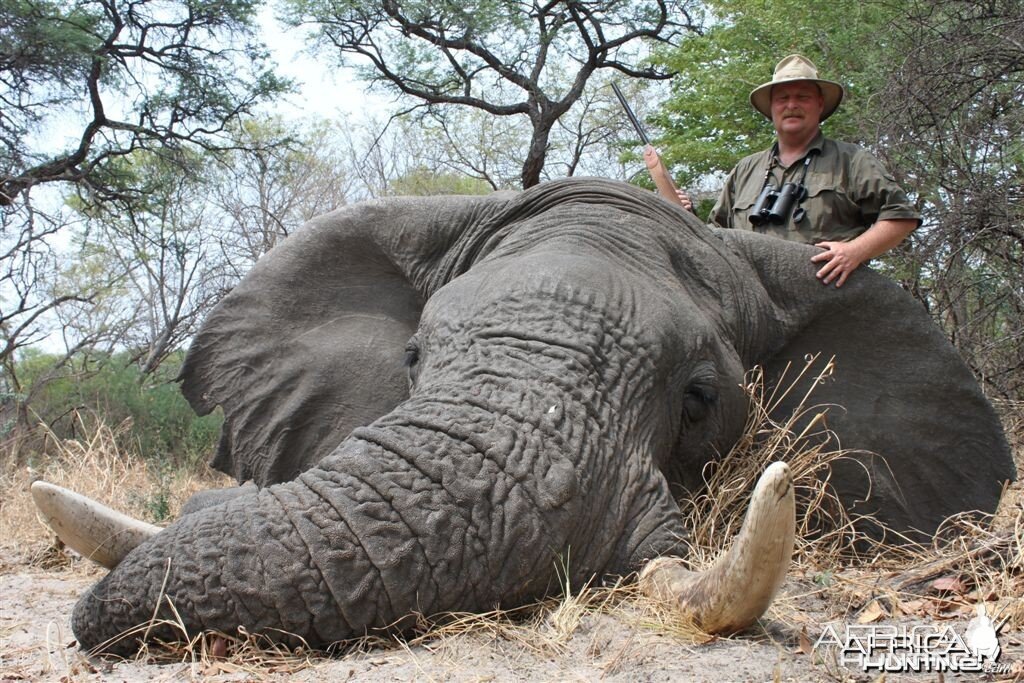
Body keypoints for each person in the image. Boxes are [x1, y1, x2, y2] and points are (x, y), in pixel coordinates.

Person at [670, 55, 920, 288]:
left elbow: (901, 217)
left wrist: (854, 252)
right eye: (783, 98)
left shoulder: (853, 160)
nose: (792, 105)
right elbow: (714, 239)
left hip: (826, 305)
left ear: (819, 104)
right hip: (753, 303)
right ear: (771, 107)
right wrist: (683, 215)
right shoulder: (745, 169)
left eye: (803, 97)